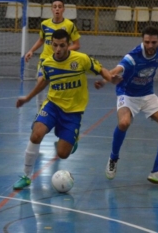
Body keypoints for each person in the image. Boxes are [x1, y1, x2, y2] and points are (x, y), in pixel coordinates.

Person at [13, 29, 121, 190]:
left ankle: (72, 140)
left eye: (62, 45)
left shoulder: (81, 59)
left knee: (63, 154)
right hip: (52, 105)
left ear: (68, 45)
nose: (58, 49)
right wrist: (27, 98)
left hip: (73, 112)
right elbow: (43, 83)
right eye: (55, 45)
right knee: (36, 134)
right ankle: (26, 175)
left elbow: (100, 69)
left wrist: (110, 79)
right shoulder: (47, 63)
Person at [98, 26, 158, 187]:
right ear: (142, 41)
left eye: (153, 42)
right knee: (124, 123)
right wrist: (105, 80)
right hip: (127, 95)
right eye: (146, 42)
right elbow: (118, 68)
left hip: (147, 94)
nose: (150, 46)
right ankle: (113, 157)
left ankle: (157, 171)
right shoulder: (133, 56)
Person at [24, 0, 81, 111]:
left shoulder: (69, 25)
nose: (57, 9)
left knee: (60, 88)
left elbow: (77, 45)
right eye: (55, 7)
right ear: (51, 9)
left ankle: (60, 109)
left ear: (63, 9)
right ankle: (40, 109)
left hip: (61, 61)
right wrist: (31, 50)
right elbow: (41, 40)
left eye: (59, 6)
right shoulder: (45, 24)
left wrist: (63, 50)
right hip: (46, 59)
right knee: (40, 82)